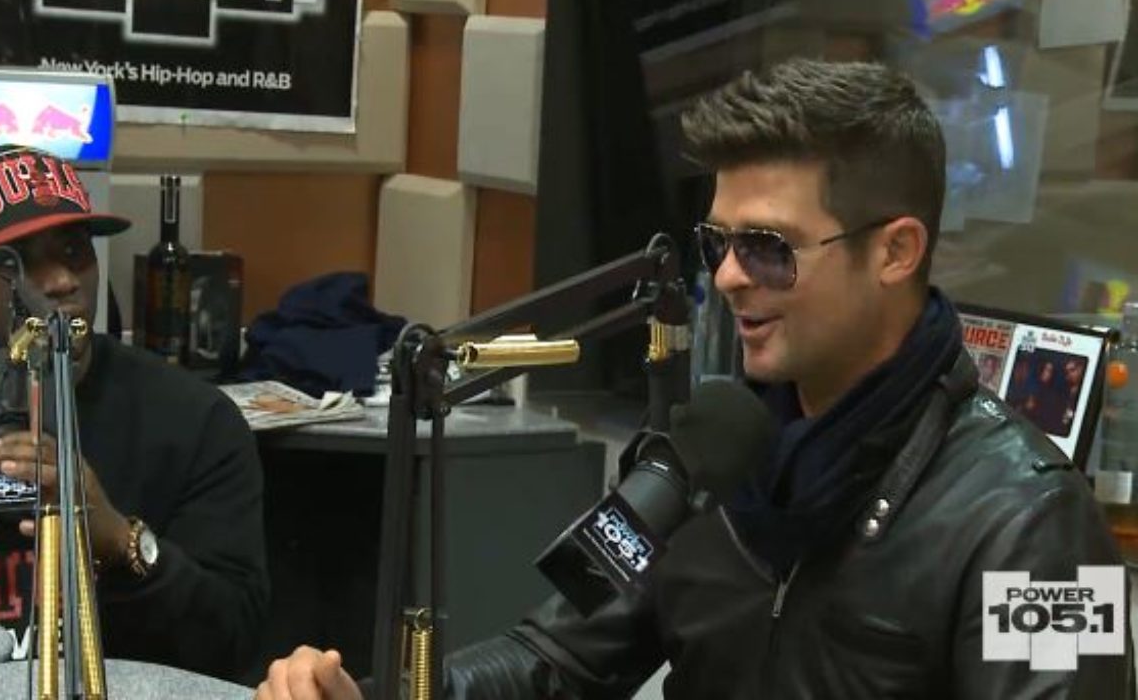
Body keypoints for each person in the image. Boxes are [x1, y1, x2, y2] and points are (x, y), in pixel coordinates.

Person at [255, 59, 1130, 698]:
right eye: (719, 243)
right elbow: (556, 659)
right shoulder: (703, 455)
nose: (730, 277)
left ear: (896, 251)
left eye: (769, 247)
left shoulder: (1043, 523)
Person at [0, 145, 269, 680]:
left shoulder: (195, 422)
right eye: (18, 262)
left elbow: (235, 644)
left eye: (75, 251)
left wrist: (118, 541)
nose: (61, 282)